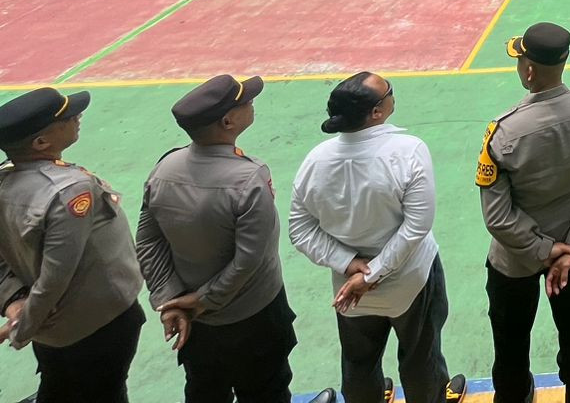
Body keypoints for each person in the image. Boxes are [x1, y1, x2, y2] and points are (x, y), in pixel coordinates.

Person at [138, 74, 334, 403]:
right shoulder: (248, 179)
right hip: (251, 316)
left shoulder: (164, 169)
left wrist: (170, 300)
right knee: (265, 389)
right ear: (228, 121)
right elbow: (250, 260)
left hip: (194, 321)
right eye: (244, 102)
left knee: (204, 387)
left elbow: (148, 241)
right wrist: (205, 299)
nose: (251, 103)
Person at [289, 74, 467, 403]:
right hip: (411, 281)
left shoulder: (315, 161)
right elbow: (416, 227)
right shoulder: (408, 151)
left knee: (358, 360)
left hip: (349, 289)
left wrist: (352, 266)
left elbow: (300, 229)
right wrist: (374, 272)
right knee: (420, 357)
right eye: (389, 93)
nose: (393, 96)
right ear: (376, 112)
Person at [480, 24, 570, 403]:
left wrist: (543, 250)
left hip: (515, 258)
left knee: (510, 337)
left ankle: (513, 394)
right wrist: (569, 247)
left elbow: (498, 217)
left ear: (529, 71)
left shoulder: (504, 133)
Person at [0, 87, 146, 403]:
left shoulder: (4, 181)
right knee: (104, 390)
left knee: (61, 384)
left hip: (50, 326)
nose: (76, 117)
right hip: (97, 322)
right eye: (66, 117)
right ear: (41, 142)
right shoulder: (69, 191)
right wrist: (21, 326)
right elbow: (56, 275)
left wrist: (13, 301)